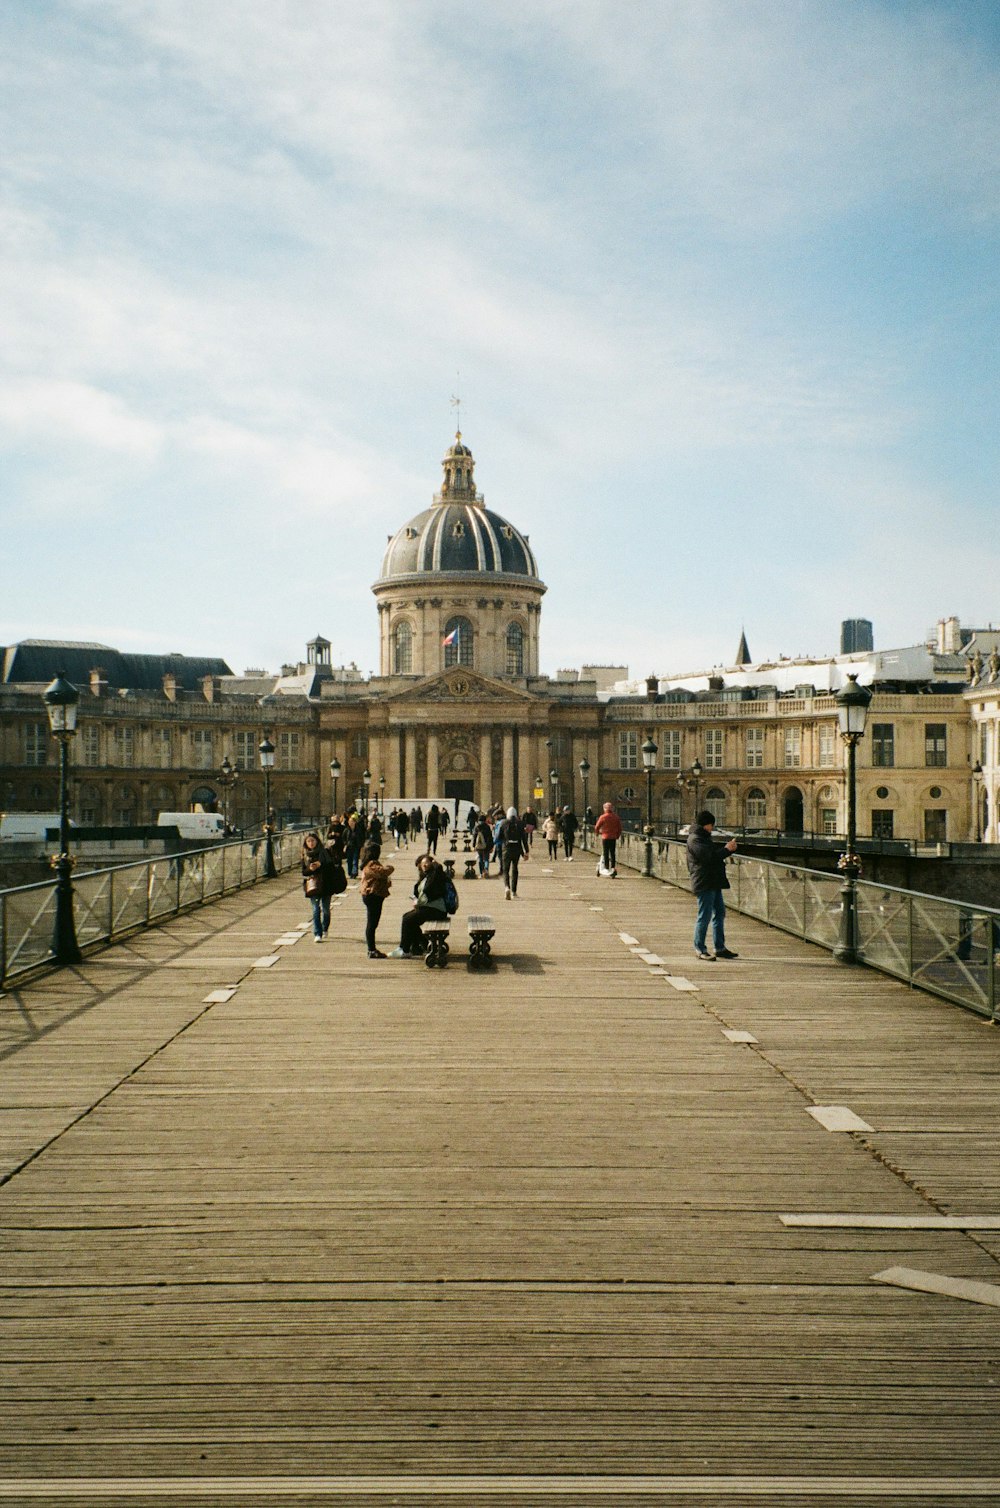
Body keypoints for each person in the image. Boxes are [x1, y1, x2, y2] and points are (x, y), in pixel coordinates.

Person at [686, 809, 739, 961]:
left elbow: (712, 856)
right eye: (711, 825)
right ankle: (700, 948)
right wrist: (726, 850)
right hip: (704, 881)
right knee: (705, 915)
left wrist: (727, 851)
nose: (712, 828)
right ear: (706, 824)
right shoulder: (696, 838)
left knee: (719, 912)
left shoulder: (702, 837)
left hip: (712, 880)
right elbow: (708, 858)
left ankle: (719, 947)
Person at [390, 854, 448, 958]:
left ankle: (404, 949)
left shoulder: (436, 874)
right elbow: (419, 891)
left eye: (427, 862)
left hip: (437, 910)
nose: (424, 865)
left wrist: (436, 865)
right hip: (429, 907)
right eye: (422, 864)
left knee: (408, 920)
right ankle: (422, 945)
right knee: (408, 918)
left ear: (432, 863)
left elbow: (429, 890)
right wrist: (416, 899)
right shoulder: (426, 876)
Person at [359, 840, 394, 959]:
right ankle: (371, 949)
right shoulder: (371, 864)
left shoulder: (367, 863)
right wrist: (390, 868)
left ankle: (372, 949)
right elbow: (382, 873)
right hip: (373, 895)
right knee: (372, 923)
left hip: (373, 895)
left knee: (373, 922)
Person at [301, 831, 336, 942]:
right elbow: (304, 872)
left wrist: (321, 865)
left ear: (317, 841)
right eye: (309, 841)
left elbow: (332, 867)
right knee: (316, 909)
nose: (311, 843)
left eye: (313, 841)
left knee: (326, 910)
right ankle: (317, 933)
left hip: (326, 884)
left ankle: (325, 927)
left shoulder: (324, 852)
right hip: (313, 885)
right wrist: (310, 869)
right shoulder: (305, 855)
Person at [500, 805, 529, 899]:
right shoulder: (520, 824)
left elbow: (498, 837)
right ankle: (514, 892)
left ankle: (506, 887)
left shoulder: (503, 823)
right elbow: (523, 839)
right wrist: (526, 852)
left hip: (506, 849)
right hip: (516, 850)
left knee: (505, 870)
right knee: (515, 869)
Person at [594, 801, 623, 876]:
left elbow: (597, 827)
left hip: (605, 837)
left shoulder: (603, 817)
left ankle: (606, 867)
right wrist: (617, 835)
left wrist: (597, 833)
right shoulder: (616, 817)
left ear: (604, 809)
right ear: (612, 809)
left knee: (605, 853)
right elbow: (619, 828)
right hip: (613, 837)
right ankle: (613, 867)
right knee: (612, 853)